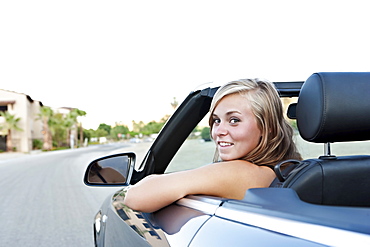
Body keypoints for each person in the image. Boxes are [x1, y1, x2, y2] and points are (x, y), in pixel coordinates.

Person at [123, 79, 302, 213]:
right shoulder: (292, 169)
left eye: (234, 120)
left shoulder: (239, 172)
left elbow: (135, 197)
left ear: (267, 128)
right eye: (216, 120)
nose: (219, 131)